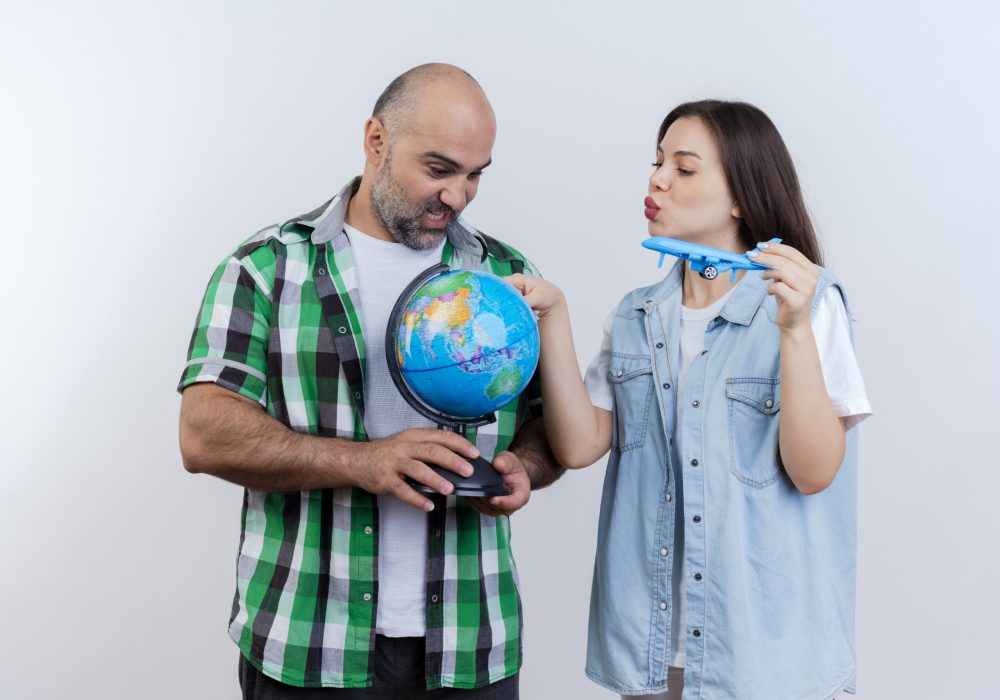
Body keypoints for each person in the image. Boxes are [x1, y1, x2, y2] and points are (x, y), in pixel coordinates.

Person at [177, 63, 563, 699]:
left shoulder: (506, 277)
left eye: (475, 176)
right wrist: (362, 462)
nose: (459, 196)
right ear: (376, 140)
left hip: (470, 646)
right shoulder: (266, 268)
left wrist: (525, 463)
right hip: (307, 643)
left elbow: (552, 424)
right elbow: (203, 434)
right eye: (439, 170)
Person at [507, 100, 872, 699]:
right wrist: (555, 315)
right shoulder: (636, 315)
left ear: (740, 197)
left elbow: (814, 472)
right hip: (655, 654)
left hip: (766, 660)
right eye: (656, 163)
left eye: (684, 168)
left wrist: (795, 329)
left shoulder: (810, 304)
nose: (656, 180)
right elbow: (578, 446)